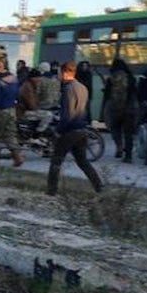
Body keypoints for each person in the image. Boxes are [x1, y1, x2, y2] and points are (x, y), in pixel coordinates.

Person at [48, 61, 104, 195]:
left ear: (64, 72)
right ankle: (99, 187)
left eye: (59, 73)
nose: (58, 75)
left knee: (56, 160)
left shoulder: (68, 89)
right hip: (82, 129)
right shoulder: (82, 87)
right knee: (83, 161)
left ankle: (51, 191)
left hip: (69, 130)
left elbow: (67, 113)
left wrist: (59, 130)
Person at [0, 58, 25, 167]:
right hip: (12, 109)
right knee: (10, 134)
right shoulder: (14, 78)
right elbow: (17, 94)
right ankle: (17, 156)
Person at [103, 58, 137, 162]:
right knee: (128, 133)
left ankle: (119, 148)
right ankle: (129, 156)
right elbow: (134, 92)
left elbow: (107, 94)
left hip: (115, 110)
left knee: (115, 129)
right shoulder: (131, 78)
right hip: (129, 110)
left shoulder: (111, 79)